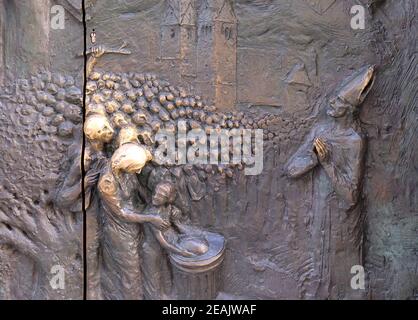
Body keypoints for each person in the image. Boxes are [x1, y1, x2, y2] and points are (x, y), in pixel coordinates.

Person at [285, 65, 375, 299]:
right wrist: (314, 159)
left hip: (344, 220)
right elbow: (292, 169)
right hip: (321, 211)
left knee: (343, 274)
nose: (330, 103)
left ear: (348, 110)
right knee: (319, 268)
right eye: (332, 99)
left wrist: (327, 163)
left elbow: (351, 196)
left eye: (337, 101)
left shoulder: (355, 141)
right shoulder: (320, 130)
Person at [97, 127, 165, 300]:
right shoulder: (107, 182)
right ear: (127, 165)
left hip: (134, 224)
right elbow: (122, 213)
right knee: (131, 273)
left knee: (137, 267)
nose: (139, 171)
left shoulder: (126, 171)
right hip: (120, 232)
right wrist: (151, 217)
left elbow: (137, 189)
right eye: (137, 168)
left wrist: (154, 203)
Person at [56, 109, 114, 300]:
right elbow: (62, 198)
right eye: (104, 128)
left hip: (107, 220)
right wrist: (84, 183)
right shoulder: (84, 160)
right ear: (93, 136)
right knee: (91, 264)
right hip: (89, 222)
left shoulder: (101, 152)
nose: (110, 129)